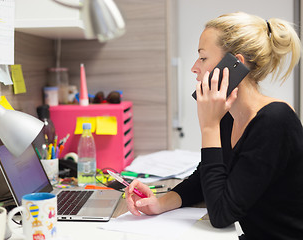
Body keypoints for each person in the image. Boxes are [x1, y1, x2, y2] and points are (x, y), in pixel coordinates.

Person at [125, 12, 303, 240]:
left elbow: (221, 214)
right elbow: (204, 179)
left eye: (203, 58)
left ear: (234, 64)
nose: (194, 68)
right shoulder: (231, 117)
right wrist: (159, 204)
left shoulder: (275, 121)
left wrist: (209, 127)